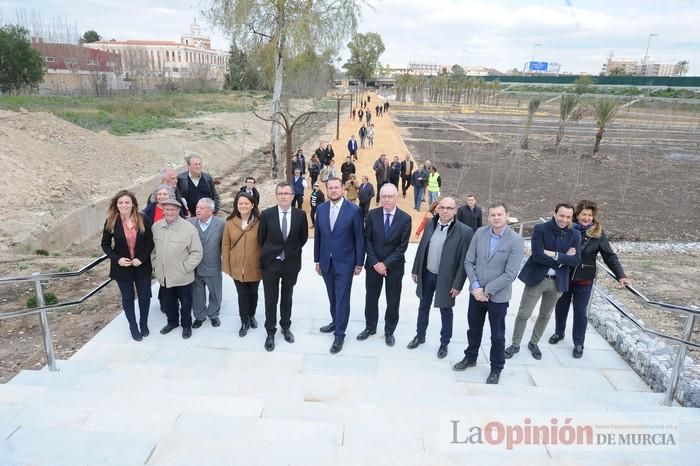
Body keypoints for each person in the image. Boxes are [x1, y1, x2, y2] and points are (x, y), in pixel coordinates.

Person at [453, 203, 525, 384]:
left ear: (507, 216)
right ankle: (470, 357)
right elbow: (469, 261)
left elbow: (510, 274)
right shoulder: (480, 234)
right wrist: (476, 287)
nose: (496, 217)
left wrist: (487, 291)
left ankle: (496, 368)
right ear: (489, 217)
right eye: (492, 214)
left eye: (500, 214)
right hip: (476, 294)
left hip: (498, 298)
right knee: (474, 330)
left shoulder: (515, 240)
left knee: (497, 335)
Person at [549, 200, 630, 359]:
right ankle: (559, 332)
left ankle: (579, 343)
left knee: (580, 312)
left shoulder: (598, 233)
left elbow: (609, 256)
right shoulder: (566, 229)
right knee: (561, 306)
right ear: (577, 215)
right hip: (565, 275)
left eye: (590, 215)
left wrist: (621, 275)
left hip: (584, 279)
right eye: (583, 214)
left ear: (593, 217)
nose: (586, 218)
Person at [505, 203, 581, 361]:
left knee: (545, 315)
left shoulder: (575, 234)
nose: (564, 219)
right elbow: (538, 255)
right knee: (523, 314)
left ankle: (534, 342)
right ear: (554, 213)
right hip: (537, 279)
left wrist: (554, 255)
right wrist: (562, 258)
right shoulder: (541, 229)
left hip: (557, 282)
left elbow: (576, 261)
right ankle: (515, 344)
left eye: (568, 217)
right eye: (561, 215)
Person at [408, 196, 472, 359]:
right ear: (437, 208)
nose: (445, 211)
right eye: (442, 207)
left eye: (449, 208)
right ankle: (420, 335)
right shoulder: (430, 224)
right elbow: (422, 248)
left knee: (446, 310)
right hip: (427, 274)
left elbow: (465, 261)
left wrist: (457, 284)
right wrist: (416, 269)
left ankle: (444, 342)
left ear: (455, 210)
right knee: (423, 305)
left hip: (447, 279)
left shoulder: (464, 232)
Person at [314, 177, 365, 354]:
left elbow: (359, 237)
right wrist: (317, 260)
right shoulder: (321, 209)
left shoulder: (353, 210)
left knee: (342, 298)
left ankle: (340, 334)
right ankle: (336, 321)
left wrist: (359, 262)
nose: (334, 190)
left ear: (343, 189)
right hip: (326, 263)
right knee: (332, 297)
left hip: (345, 263)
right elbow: (319, 237)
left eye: (337, 187)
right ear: (326, 190)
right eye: (331, 188)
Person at [358, 184, 412, 346]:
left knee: (393, 300)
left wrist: (385, 264)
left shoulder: (405, 218)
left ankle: (389, 331)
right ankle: (370, 327)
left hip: (394, 267)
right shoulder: (372, 215)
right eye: (384, 196)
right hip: (373, 266)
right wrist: (375, 263)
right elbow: (367, 240)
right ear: (380, 197)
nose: (387, 199)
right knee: (371, 297)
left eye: (390, 196)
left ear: (396, 197)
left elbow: (402, 247)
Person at [258, 182, 309, 351]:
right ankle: (270, 332)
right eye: (280, 193)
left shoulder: (300, 215)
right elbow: (261, 238)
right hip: (271, 263)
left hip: (291, 263)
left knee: (287, 297)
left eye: (287, 193)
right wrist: (272, 253)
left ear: (293, 196)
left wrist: (289, 252)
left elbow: (302, 238)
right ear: (276, 195)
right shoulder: (266, 214)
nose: (283, 196)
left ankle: (285, 327)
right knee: (270, 299)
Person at [101, 190, 154, 342]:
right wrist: (117, 259)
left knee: (144, 296)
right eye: (120, 202)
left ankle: (143, 324)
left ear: (133, 204)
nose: (124, 205)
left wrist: (142, 259)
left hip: (141, 265)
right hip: (122, 267)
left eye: (127, 202)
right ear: (116, 205)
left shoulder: (143, 219)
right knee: (128, 297)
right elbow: (105, 245)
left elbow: (150, 242)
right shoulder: (111, 220)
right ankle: (133, 326)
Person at [152, 198, 203, 339]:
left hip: (183, 276)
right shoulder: (156, 227)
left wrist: (185, 268)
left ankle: (186, 326)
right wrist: (155, 265)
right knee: (168, 302)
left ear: (178, 211)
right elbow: (153, 250)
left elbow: (197, 252)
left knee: (186, 304)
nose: (169, 212)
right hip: (165, 276)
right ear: (163, 210)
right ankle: (172, 322)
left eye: (173, 210)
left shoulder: (189, 229)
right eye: (167, 209)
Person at [222, 192, 263, 337]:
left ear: (252, 205)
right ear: (236, 205)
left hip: (255, 265)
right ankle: (244, 320)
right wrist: (226, 265)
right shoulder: (230, 222)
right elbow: (226, 244)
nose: (243, 206)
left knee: (253, 293)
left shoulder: (260, 222)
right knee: (242, 294)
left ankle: (251, 315)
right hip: (237, 265)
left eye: (246, 203)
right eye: (240, 203)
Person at [189, 198, 225, 329]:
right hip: (195, 266)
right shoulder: (190, 223)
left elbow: (225, 244)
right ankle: (199, 316)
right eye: (197, 207)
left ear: (210, 211)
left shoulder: (221, 224)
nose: (198, 210)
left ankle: (214, 315)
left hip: (213, 265)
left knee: (215, 292)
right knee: (197, 293)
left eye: (202, 208)